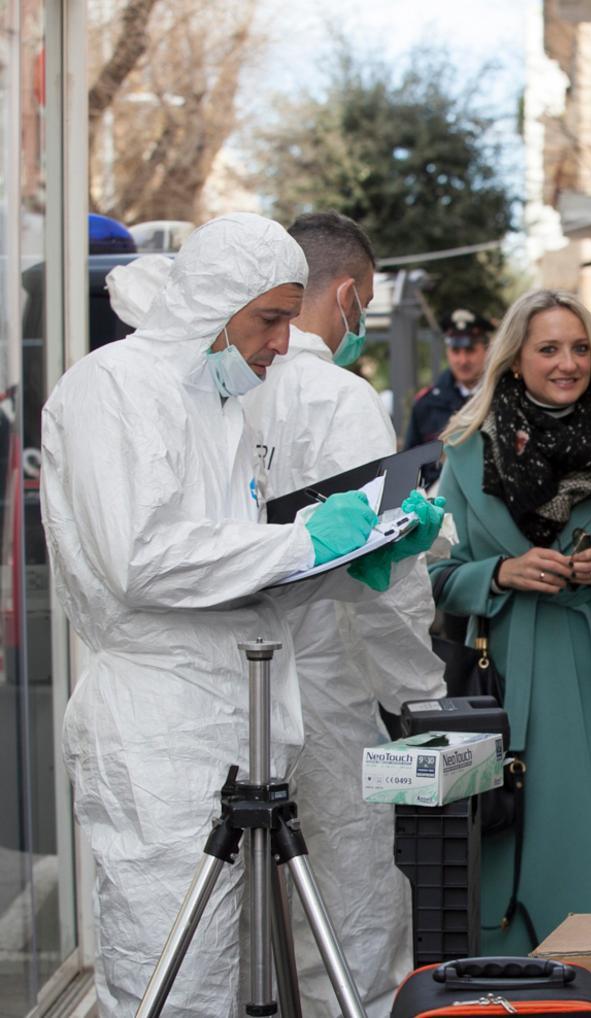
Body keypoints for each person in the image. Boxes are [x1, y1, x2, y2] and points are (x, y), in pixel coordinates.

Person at [40, 213, 417, 1018]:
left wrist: (335, 563)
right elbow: (141, 559)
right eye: (271, 319)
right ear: (215, 301)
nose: (284, 344)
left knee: (242, 972)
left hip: (235, 725)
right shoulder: (116, 388)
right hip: (162, 731)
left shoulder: (218, 407)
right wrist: (296, 544)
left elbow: (226, 574)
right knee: (177, 984)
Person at [429, 289, 591, 953]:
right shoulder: (462, 449)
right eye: (548, 349)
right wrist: (498, 575)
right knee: (512, 848)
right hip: (504, 683)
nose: (567, 363)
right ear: (514, 361)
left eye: (578, 347)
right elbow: (428, 575)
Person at [240, 211, 446, 1016]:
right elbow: (384, 583)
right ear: (354, 294)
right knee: (348, 909)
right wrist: (421, 694)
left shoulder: (225, 389)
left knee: (242, 920)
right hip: (324, 687)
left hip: (229, 685)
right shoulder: (341, 398)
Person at [407, 307, 492, 486]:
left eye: (470, 350)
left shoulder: (500, 398)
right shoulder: (427, 404)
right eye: (456, 351)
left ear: (486, 350)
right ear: (448, 352)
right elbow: (410, 467)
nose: (463, 360)